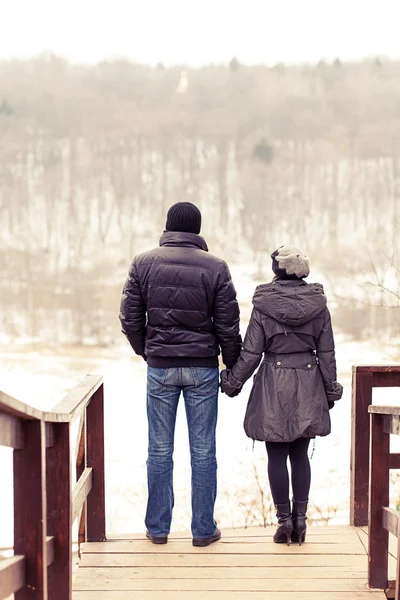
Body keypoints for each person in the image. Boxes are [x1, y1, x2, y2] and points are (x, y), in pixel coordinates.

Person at [119, 202, 241, 547]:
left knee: (159, 449)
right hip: (202, 367)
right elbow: (228, 325)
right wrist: (230, 364)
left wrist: (147, 350)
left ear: (168, 226)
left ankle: (158, 529)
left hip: (160, 367)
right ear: (197, 230)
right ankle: (203, 530)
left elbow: (129, 318)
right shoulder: (215, 267)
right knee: (203, 451)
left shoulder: (143, 262)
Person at [221, 245, 343, 546]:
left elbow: (251, 352)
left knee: (276, 454)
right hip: (308, 381)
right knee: (300, 453)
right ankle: (301, 521)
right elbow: (327, 354)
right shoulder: (319, 305)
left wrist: (232, 382)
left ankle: (284, 523)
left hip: (273, 383)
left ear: (276, 270)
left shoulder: (264, 306)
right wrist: (330, 390)